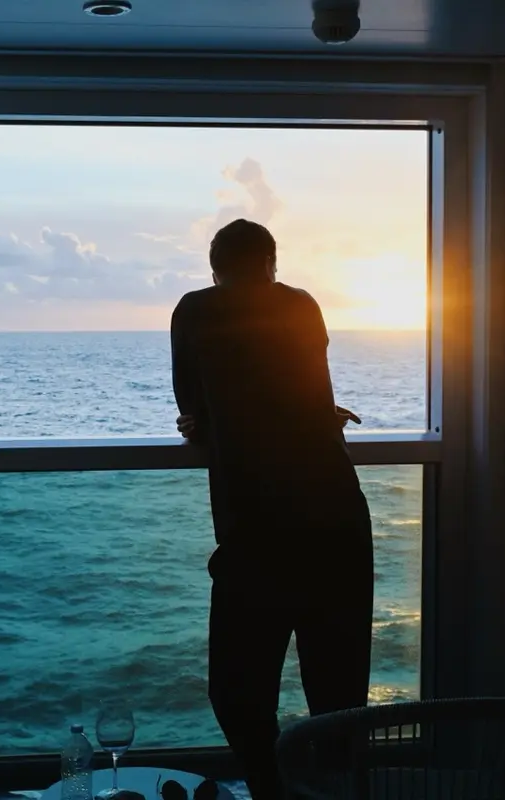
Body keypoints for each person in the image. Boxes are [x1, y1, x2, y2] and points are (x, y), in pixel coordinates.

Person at [169, 219, 374, 800]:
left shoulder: (195, 310)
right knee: (337, 697)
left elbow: (193, 406)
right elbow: (310, 391)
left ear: (216, 270)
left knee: (236, 692)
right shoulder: (301, 305)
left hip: (256, 531)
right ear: (269, 262)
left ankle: (270, 787)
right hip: (335, 521)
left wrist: (207, 422)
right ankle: (324, 791)